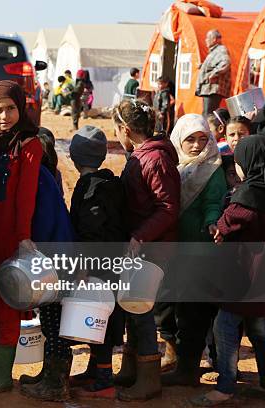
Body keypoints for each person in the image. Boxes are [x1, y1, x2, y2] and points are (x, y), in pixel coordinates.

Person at [0, 80, 43, 394]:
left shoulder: (29, 145)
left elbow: (25, 198)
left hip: (11, 238)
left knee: (7, 303)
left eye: (10, 108)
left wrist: (23, 240)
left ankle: (1, 376)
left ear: (21, 108)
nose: (4, 116)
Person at [191, 134, 265, 406]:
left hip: (241, 279)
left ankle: (225, 386)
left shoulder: (247, 196)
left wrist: (219, 227)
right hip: (262, 279)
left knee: (224, 327)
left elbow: (228, 225)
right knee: (260, 328)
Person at [112, 99, 180, 401]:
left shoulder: (155, 160)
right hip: (142, 245)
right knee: (131, 308)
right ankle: (132, 370)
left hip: (152, 248)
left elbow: (167, 208)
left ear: (126, 129)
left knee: (141, 312)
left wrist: (139, 237)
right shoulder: (145, 155)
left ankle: (149, 379)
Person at [160, 114, 226, 388]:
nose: (197, 146)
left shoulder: (213, 169)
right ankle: (173, 354)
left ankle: (187, 369)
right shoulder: (172, 166)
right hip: (171, 248)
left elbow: (214, 202)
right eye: (190, 139)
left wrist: (212, 222)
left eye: (203, 139)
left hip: (199, 251)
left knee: (192, 312)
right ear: (178, 140)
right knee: (166, 306)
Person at [67, 125, 127, 400]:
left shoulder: (90, 189)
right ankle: (94, 370)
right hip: (114, 264)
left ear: (74, 157)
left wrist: (82, 266)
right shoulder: (112, 183)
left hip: (96, 266)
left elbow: (90, 230)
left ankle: (104, 380)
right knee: (105, 316)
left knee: (95, 319)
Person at [19, 129, 77, 402]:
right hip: (59, 256)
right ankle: (49, 374)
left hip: (53, 259)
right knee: (50, 320)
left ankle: (55, 383)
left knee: (54, 323)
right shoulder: (49, 174)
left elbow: (42, 222)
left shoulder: (39, 178)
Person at [196, 30, 231, 116]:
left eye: (208, 38)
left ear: (215, 39)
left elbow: (225, 62)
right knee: (206, 113)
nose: (206, 40)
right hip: (208, 89)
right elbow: (213, 65)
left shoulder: (221, 50)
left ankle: (208, 129)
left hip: (213, 89)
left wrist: (214, 74)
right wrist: (202, 66)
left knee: (208, 114)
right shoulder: (213, 52)